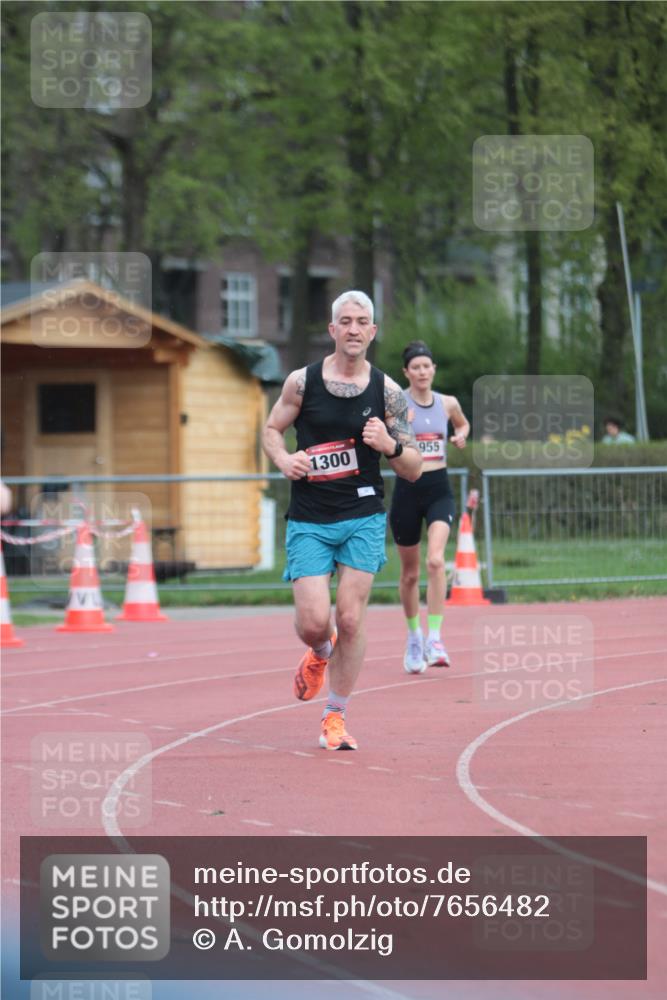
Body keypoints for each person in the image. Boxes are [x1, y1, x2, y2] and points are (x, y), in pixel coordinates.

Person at [262, 291, 422, 751]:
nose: (354, 329)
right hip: (310, 518)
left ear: (373, 331)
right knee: (315, 622)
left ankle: (335, 715)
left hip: (362, 515)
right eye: (346, 321)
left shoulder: (388, 393)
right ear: (332, 330)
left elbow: (413, 468)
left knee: (351, 618)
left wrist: (389, 446)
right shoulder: (302, 382)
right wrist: (284, 460)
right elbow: (272, 430)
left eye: (362, 321)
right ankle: (319, 650)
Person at [389, 340, 470, 674]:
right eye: (416, 367)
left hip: (439, 489)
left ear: (433, 369)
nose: (422, 372)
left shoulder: (448, 403)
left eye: (427, 366)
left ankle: (435, 638)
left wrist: (461, 435)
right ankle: (414, 637)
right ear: (406, 372)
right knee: (410, 575)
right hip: (407, 491)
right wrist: (397, 432)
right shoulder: (396, 403)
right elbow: (381, 437)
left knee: (436, 561)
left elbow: (462, 423)